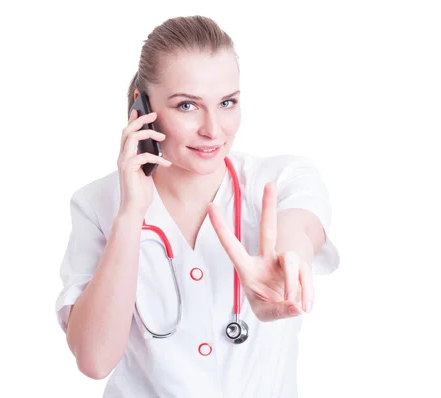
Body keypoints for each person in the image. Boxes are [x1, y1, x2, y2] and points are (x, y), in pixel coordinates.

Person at [54, 15, 340, 398]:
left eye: (227, 102)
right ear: (141, 104)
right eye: (187, 105)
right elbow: (94, 360)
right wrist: (129, 217)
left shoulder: (282, 177)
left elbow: (300, 228)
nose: (213, 129)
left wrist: (287, 264)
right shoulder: (96, 205)